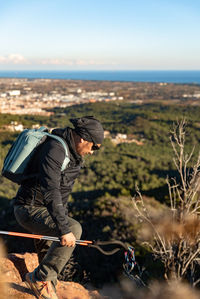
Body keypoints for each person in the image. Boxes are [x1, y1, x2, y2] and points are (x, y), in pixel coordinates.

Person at [13, 116, 104, 299]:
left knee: (55, 245)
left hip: (44, 209)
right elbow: (51, 190)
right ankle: (40, 279)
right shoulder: (55, 149)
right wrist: (64, 228)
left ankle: (46, 285)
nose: (93, 152)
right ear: (82, 139)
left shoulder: (72, 154)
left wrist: (61, 222)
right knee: (74, 229)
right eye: (93, 146)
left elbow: (62, 195)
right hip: (28, 209)